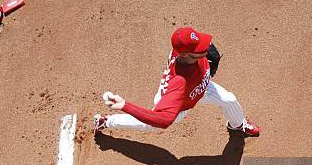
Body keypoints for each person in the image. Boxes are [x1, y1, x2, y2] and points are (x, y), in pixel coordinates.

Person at [93, 27, 260, 136]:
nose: (204, 49)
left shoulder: (181, 47)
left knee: (229, 100)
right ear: (185, 54)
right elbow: (163, 120)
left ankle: (237, 125)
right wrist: (125, 106)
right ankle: (106, 121)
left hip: (200, 87)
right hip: (180, 103)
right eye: (199, 50)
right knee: (149, 125)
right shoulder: (179, 83)